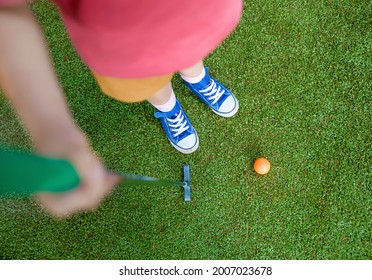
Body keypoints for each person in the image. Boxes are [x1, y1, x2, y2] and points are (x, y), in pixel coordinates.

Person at [0, 0, 242, 217]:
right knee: (146, 81)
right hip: (124, 50)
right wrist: (53, 129)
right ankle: (169, 108)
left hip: (201, 19)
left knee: (190, 49)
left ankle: (197, 79)